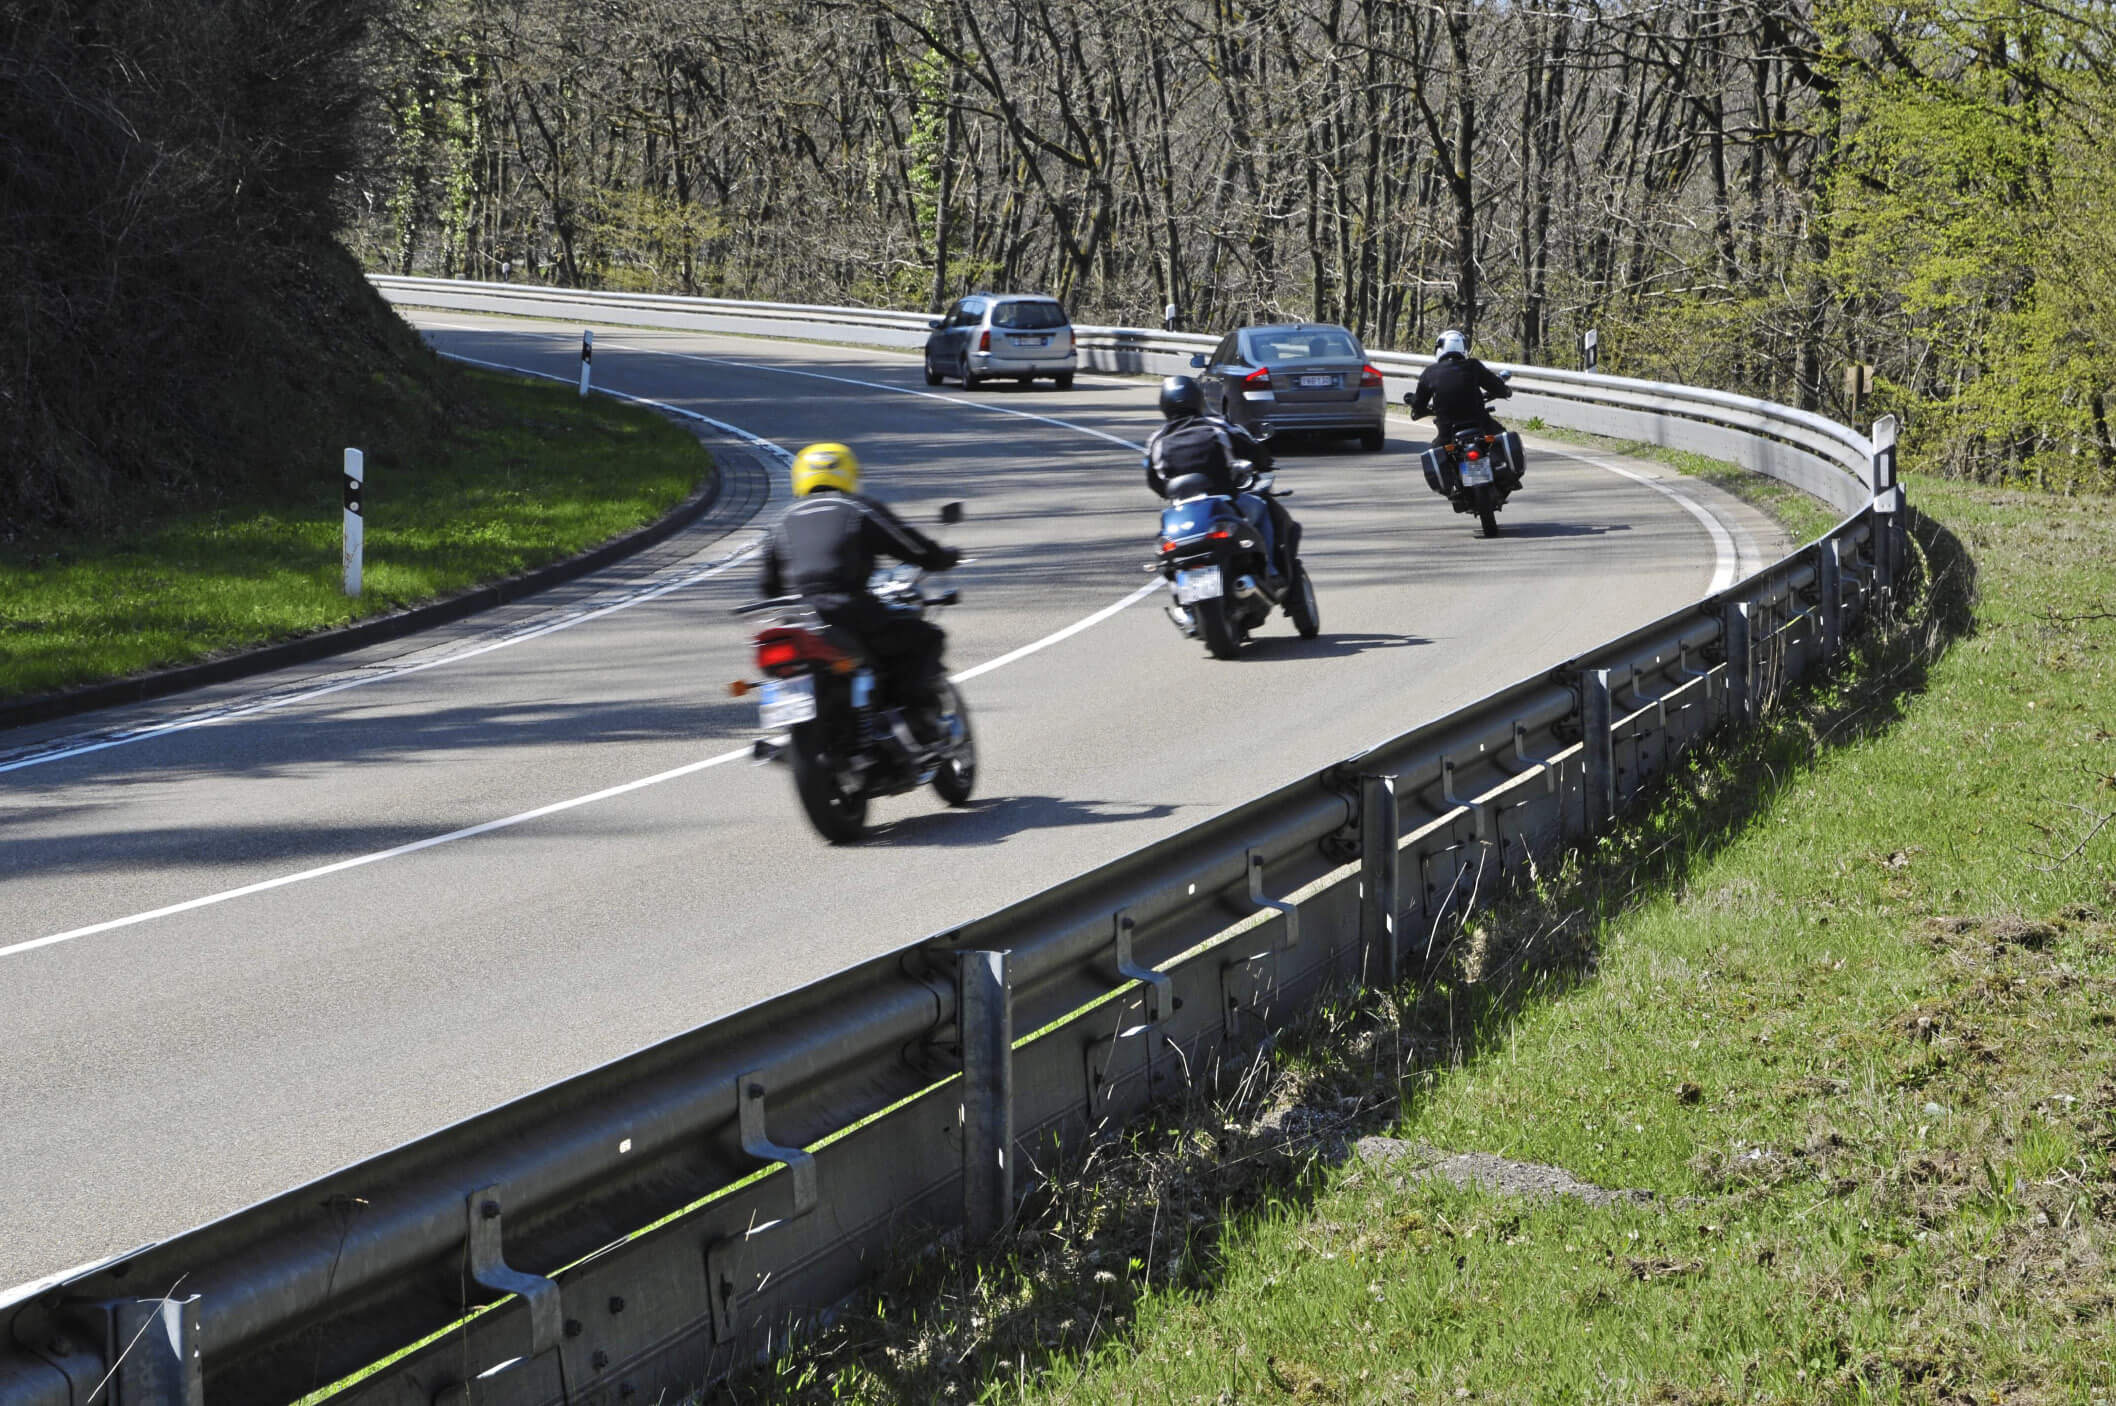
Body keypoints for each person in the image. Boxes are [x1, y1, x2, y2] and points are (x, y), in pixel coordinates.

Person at [758, 442, 959, 726]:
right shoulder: (857, 508)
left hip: (797, 621)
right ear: (850, 474)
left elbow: (767, 586)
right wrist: (942, 557)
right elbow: (912, 547)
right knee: (926, 639)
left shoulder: (780, 521)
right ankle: (919, 723)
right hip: (848, 611)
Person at [1144, 376, 1297, 580]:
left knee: (1166, 550)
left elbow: (1155, 482)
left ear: (1164, 404)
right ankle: (1270, 569)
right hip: (1222, 504)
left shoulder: (1156, 440)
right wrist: (1263, 461)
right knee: (1262, 508)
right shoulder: (1216, 426)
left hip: (1182, 514)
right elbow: (1251, 448)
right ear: (1198, 399)